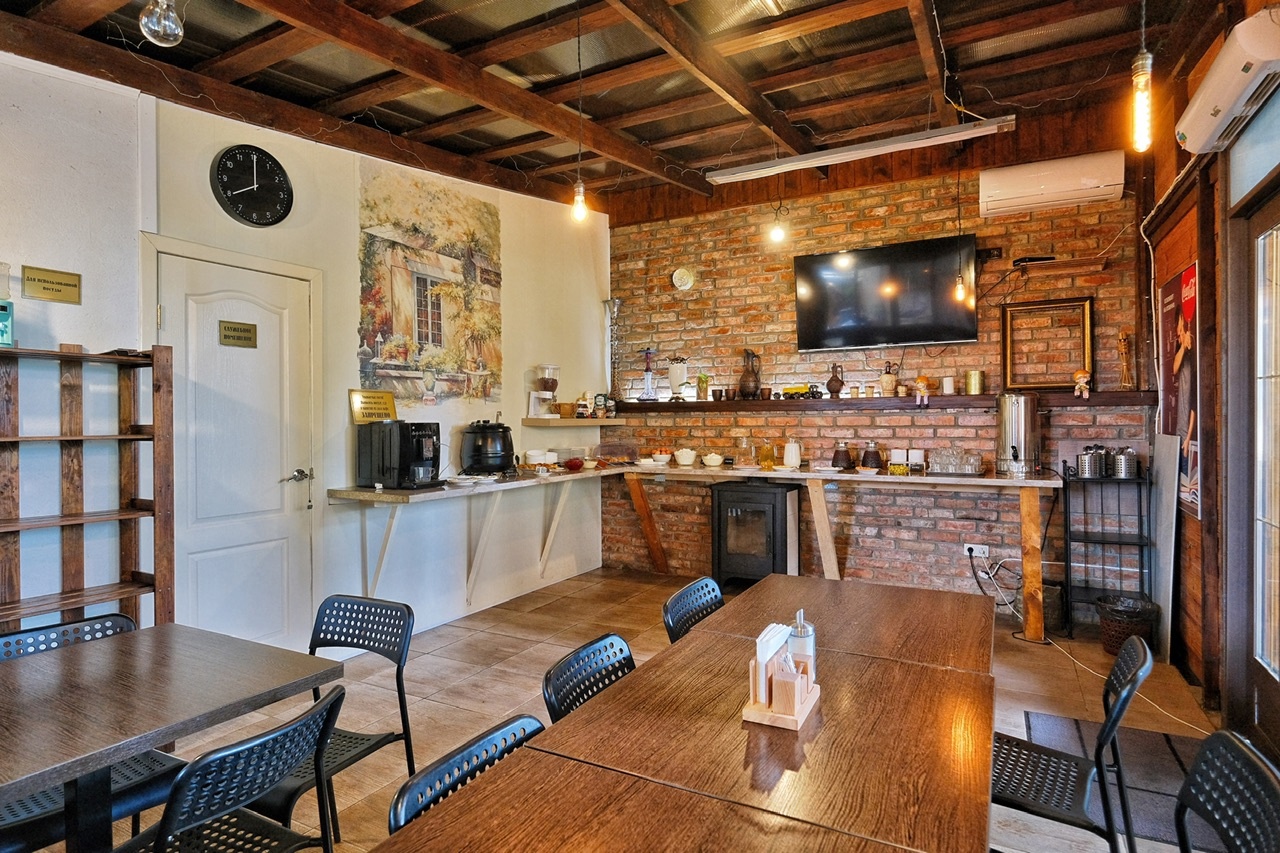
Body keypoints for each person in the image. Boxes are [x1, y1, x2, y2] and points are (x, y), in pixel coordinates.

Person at [1172, 310, 1197, 479]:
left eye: (1181, 329)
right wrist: (1182, 346)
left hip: (1187, 434)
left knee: (1186, 476)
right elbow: (1174, 368)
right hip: (1180, 431)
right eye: (1178, 329)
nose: (1179, 333)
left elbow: (1194, 403)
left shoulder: (1193, 360)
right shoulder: (1181, 352)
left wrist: (1188, 438)